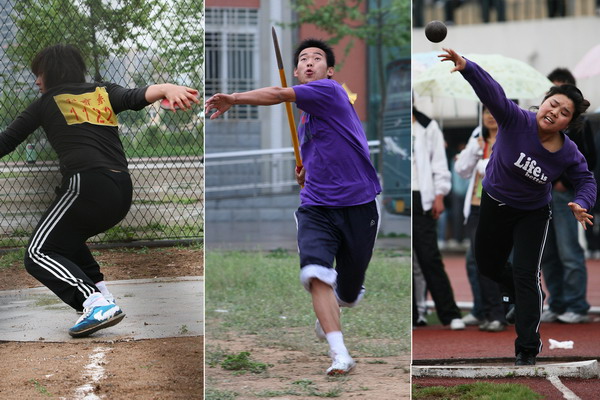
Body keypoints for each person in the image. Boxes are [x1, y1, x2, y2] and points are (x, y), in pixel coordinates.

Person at [205, 39, 381, 376]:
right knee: (315, 273)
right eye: (303, 59)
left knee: (349, 294)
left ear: (330, 71)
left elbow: (277, 94)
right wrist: (304, 172)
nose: (309, 62)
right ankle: (340, 353)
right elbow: (322, 152)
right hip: (316, 206)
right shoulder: (305, 117)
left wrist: (234, 98)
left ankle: (336, 305)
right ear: (297, 72)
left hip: (358, 205)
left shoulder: (330, 91)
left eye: (317, 58)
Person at [0, 44, 199, 338]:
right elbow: (135, 96)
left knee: (37, 252)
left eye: (39, 74)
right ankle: (101, 295)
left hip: (86, 183)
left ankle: (94, 303)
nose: (37, 81)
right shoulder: (102, 91)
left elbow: (5, 142)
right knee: (66, 237)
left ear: (52, 72)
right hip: (120, 189)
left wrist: (165, 88)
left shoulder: (46, 102)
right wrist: (167, 88)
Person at [439, 48, 596, 366]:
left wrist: (581, 202)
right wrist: (468, 67)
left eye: (564, 112)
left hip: (532, 213)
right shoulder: (515, 119)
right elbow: (492, 91)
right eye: (553, 104)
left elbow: (586, 179)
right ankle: (525, 294)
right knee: (487, 265)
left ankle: (527, 348)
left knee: (526, 275)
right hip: (494, 203)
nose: (555, 112)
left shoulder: (568, 151)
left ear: (568, 122)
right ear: (544, 100)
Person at [540, 68, 596, 324]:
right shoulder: (540, 122)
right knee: (548, 253)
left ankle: (577, 305)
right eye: (553, 92)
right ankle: (557, 303)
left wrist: (563, 182)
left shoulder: (580, 125)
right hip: (542, 194)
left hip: (566, 196)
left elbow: (589, 161)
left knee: (568, 251)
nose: (558, 107)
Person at [454, 105, 507, 332]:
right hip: (476, 209)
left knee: (495, 263)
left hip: (501, 209)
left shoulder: (511, 137)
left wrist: (485, 162)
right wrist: (473, 151)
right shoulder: (477, 137)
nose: (489, 116)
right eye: (486, 112)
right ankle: (487, 312)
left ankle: (500, 313)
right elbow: (461, 170)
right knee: (479, 263)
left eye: (494, 111)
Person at [412, 107, 465, 331]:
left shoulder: (428, 125)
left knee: (429, 257)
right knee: (409, 261)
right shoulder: (394, 123)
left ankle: (450, 314)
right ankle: (413, 315)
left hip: (422, 197)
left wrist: (440, 195)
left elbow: (440, 165)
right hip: (398, 196)